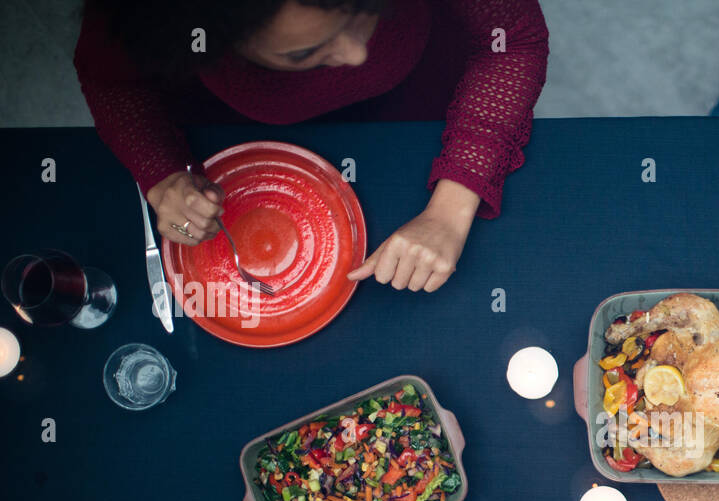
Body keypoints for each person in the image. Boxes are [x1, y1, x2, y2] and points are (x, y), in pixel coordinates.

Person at [73, 0, 549, 294]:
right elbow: (111, 80)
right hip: (239, 129)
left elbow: (511, 41)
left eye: (364, 8)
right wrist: (161, 175)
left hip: (421, 105)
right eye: (302, 52)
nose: (356, 54)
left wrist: (449, 210)